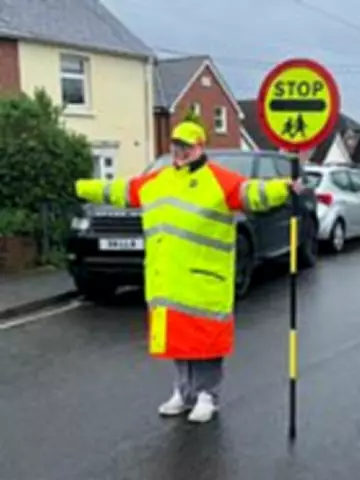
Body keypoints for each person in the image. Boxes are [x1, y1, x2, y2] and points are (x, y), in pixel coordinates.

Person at [74, 120, 297, 423]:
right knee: (178, 340)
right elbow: (121, 189)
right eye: (176, 146)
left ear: (199, 147)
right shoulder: (157, 180)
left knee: (205, 341)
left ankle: (207, 395)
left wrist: (283, 187)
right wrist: (79, 186)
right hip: (168, 279)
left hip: (204, 279)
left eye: (186, 146)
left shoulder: (219, 180)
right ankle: (184, 392)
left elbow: (251, 193)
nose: (180, 152)